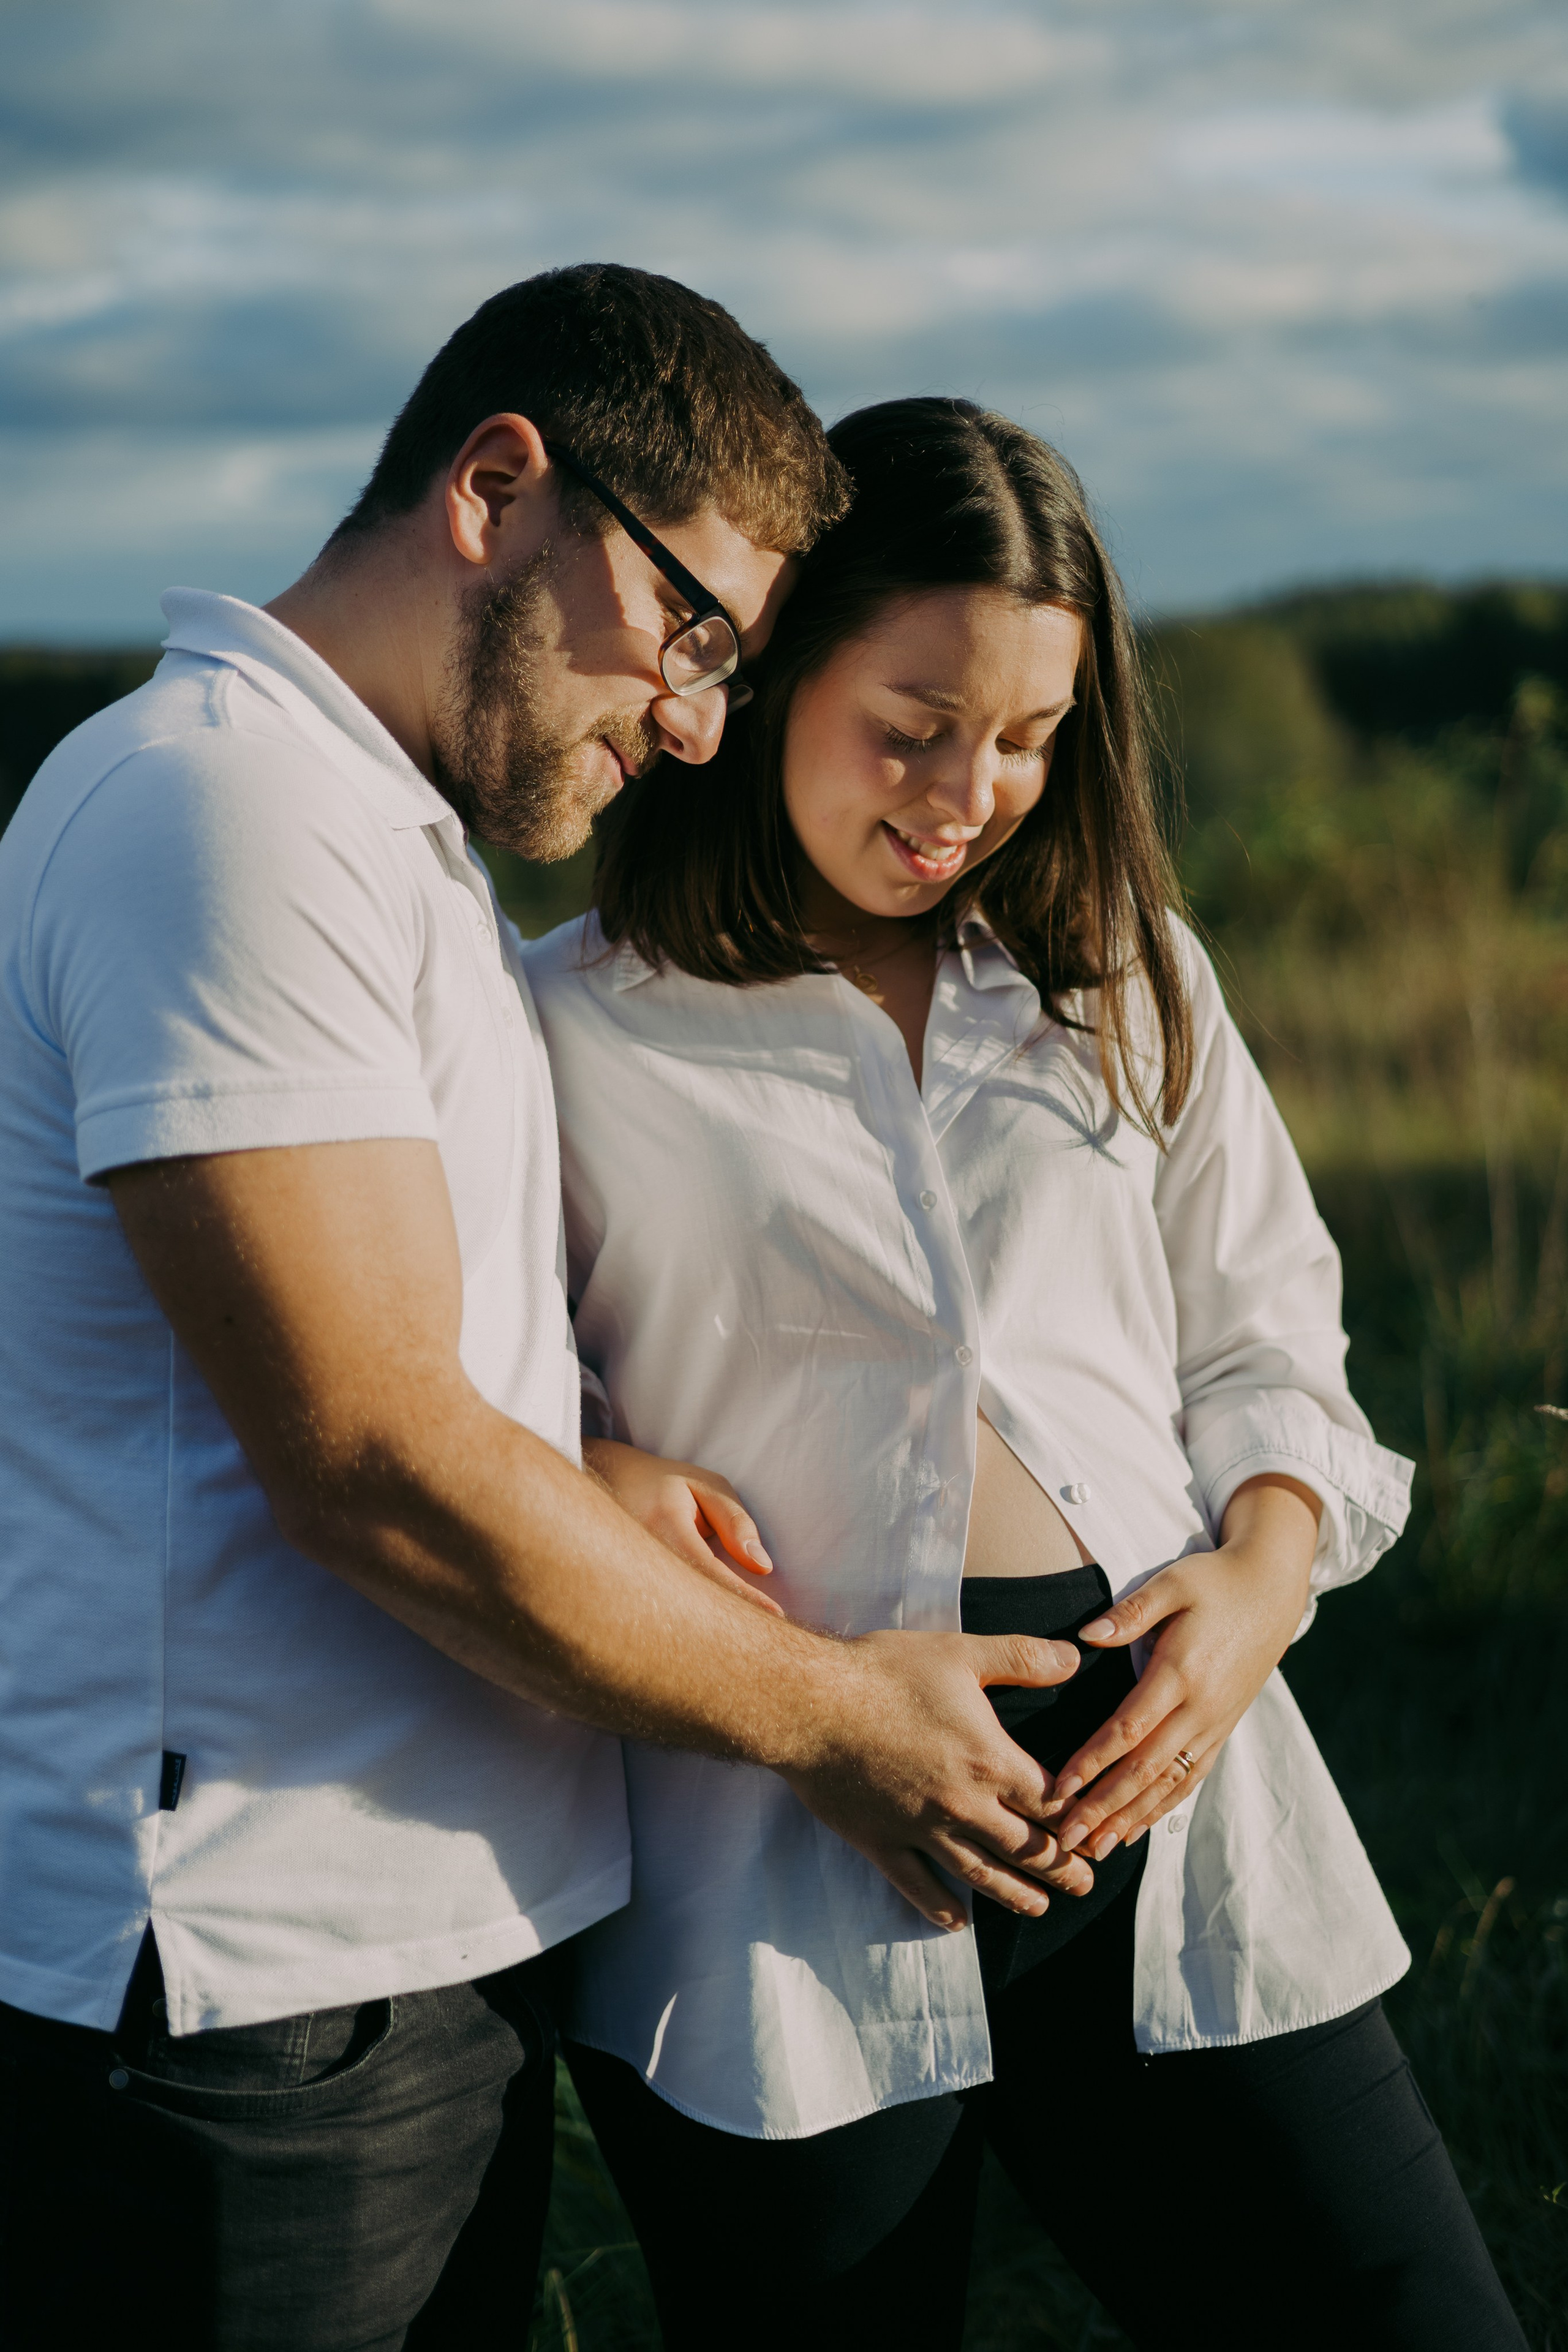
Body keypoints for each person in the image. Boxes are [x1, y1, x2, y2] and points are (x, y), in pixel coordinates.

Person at [0, 280, 1092, 2351]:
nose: (697, 720)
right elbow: (372, 1460)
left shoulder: (383, 847)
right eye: (693, 628)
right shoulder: (218, 810)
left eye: (733, 670)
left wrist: (585, 1467)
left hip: (406, 1971)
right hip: (254, 1991)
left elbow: (349, 1371)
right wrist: (838, 1720)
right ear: (501, 488)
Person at [524, 396, 1529, 2350]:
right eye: (912, 723)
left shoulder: (1122, 971)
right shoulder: (567, 1026)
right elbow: (465, 1399)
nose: (967, 788)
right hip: (783, 1860)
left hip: (1168, 1822)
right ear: (774, 664)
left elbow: (1270, 1337)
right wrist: (593, 1461)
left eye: (1029, 736)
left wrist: (1264, 1575)